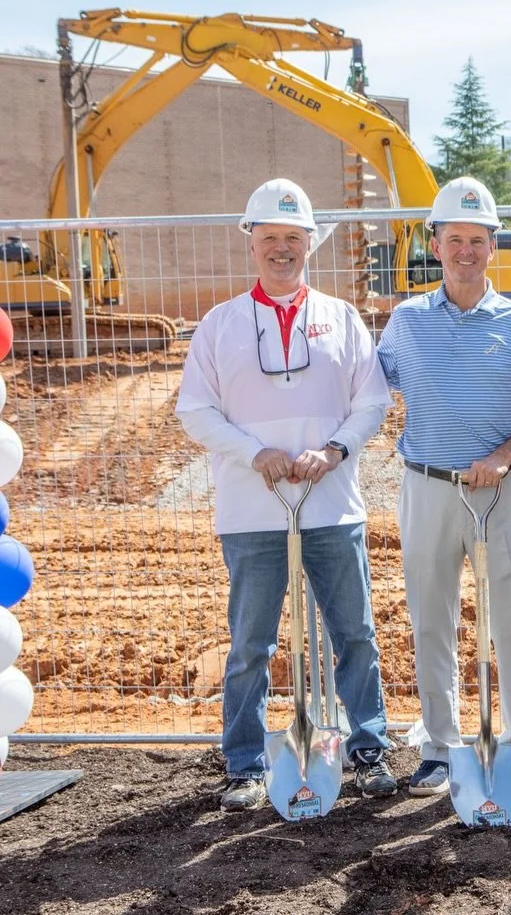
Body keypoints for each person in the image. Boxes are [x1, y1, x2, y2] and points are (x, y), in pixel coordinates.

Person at [176, 178, 397, 811]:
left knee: (354, 632)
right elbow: (195, 410)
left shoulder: (342, 318)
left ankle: (370, 750)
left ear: (310, 245)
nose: (281, 248)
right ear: (252, 243)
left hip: (331, 506)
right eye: (269, 236)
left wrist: (333, 452)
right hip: (251, 512)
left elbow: (372, 401)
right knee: (251, 643)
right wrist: (256, 453)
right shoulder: (220, 326)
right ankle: (244, 762)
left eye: (292, 238)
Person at [376, 177, 511, 797]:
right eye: (454, 238)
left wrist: (504, 456)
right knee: (431, 617)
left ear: (492, 247)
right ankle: (437, 747)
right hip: (427, 487)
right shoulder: (404, 323)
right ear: (434, 243)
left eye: (477, 240)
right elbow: (369, 389)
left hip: (499, 491)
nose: (465, 251)